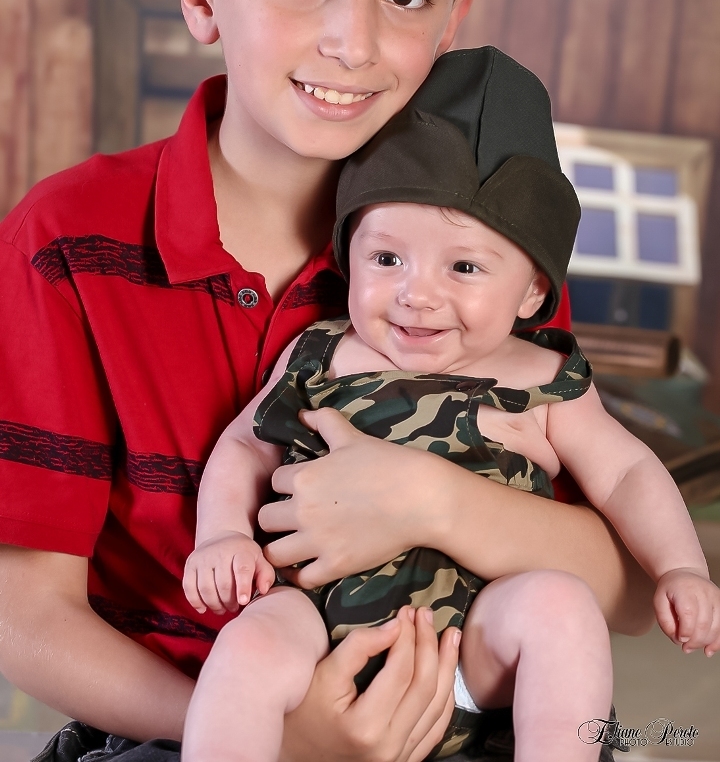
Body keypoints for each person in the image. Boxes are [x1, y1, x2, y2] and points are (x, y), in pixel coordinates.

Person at [0, 0, 654, 762]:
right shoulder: (67, 242)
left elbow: (626, 590)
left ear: (450, 24)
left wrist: (433, 499)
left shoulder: (475, 258)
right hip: (179, 727)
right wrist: (277, 733)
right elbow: (23, 614)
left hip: (458, 715)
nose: (353, 40)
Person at [181, 108, 720, 762]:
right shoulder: (323, 353)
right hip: (320, 621)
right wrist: (222, 535)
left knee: (560, 608)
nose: (417, 294)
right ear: (348, 259)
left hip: (476, 648)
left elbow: (628, 471)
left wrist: (680, 566)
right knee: (249, 645)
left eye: (463, 267)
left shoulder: (545, 379)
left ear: (531, 291)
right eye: (386, 258)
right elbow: (245, 443)